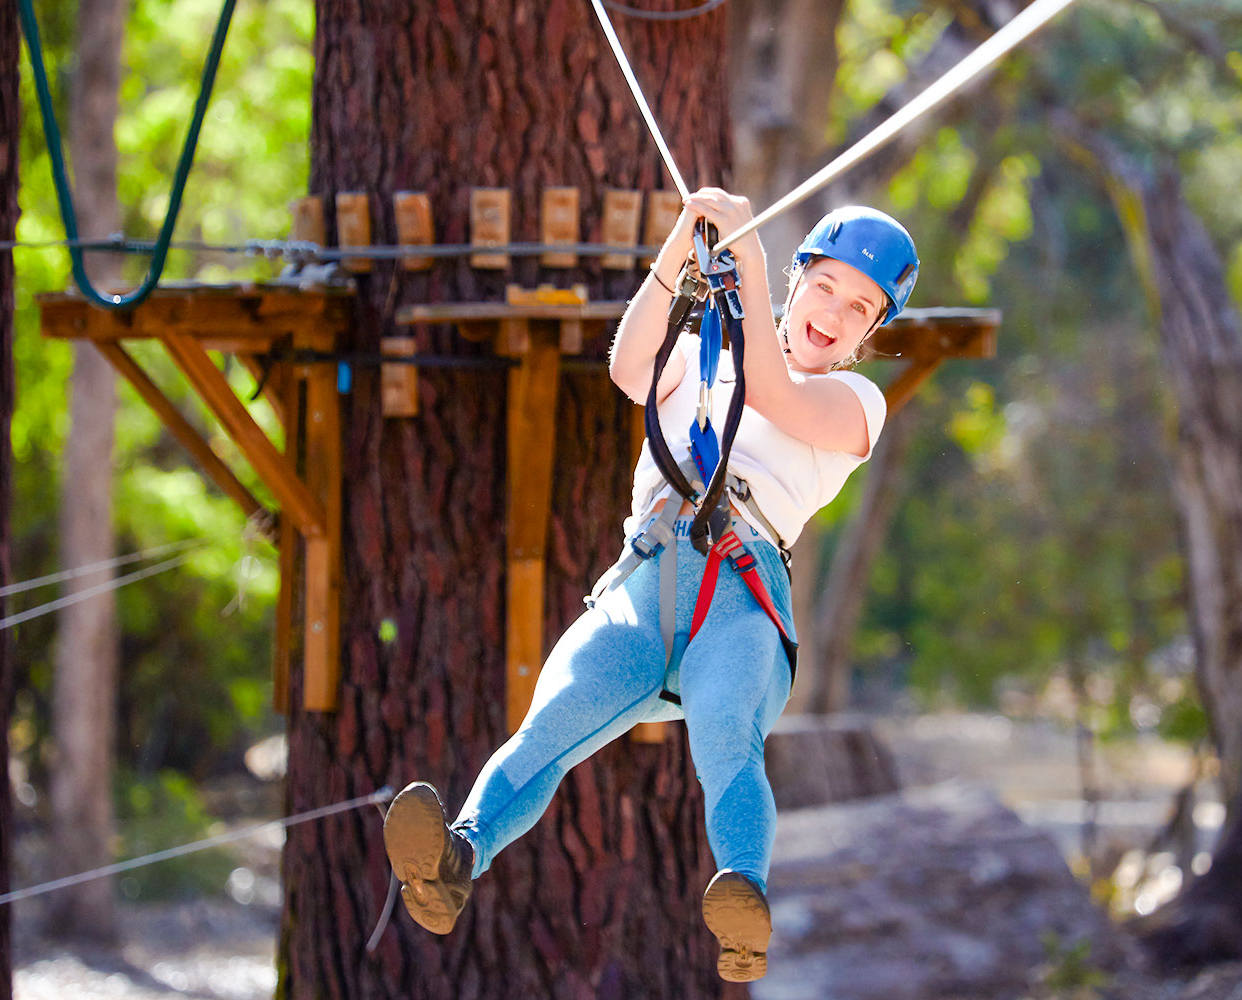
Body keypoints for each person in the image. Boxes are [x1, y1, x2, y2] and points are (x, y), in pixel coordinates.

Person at [381, 189, 919, 983]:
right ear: (803, 280)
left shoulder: (856, 404)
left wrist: (750, 262)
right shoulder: (707, 350)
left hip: (739, 597)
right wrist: (683, 242)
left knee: (727, 733)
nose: (835, 312)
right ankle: (456, 858)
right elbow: (631, 368)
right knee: (551, 725)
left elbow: (774, 396)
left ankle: (743, 903)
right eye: (826, 286)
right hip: (645, 577)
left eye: (860, 307)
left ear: (869, 336)